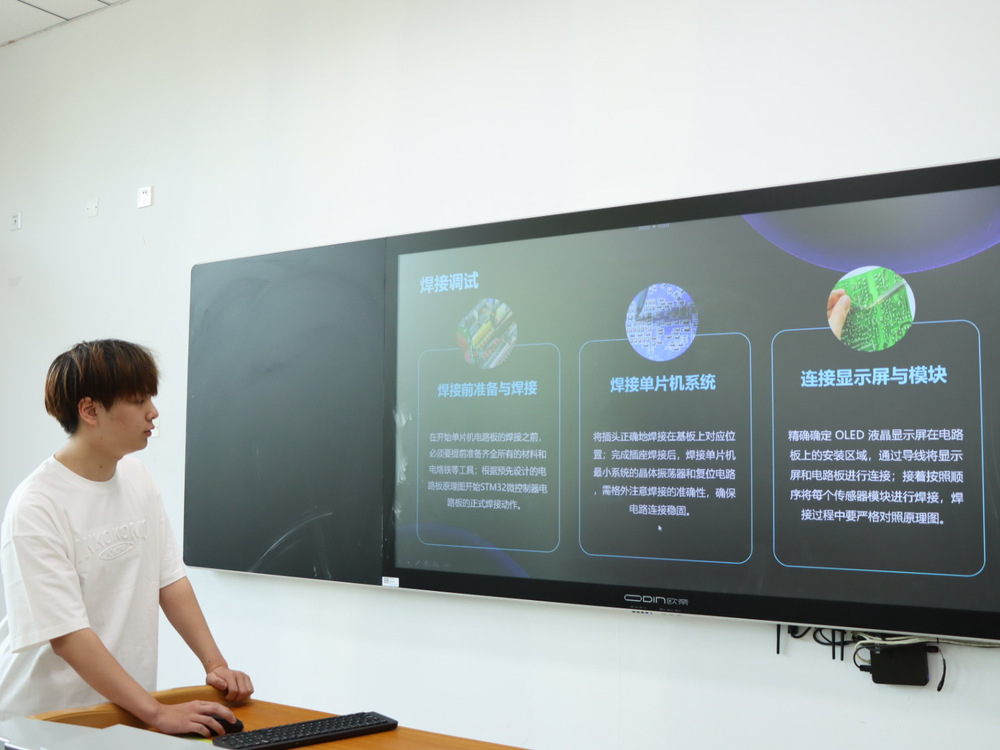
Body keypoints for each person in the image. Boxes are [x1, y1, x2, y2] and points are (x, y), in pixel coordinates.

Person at [0, 339, 253, 735]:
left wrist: (215, 664)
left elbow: (169, 580)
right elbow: (67, 636)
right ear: (90, 410)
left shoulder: (139, 479)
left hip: (124, 714)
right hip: (43, 722)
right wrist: (157, 713)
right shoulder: (36, 506)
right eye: (138, 401)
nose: (153, 412)